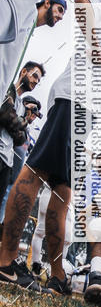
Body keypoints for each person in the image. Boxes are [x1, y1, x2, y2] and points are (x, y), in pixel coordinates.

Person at [0, 0, 101, 294]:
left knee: (62, 192)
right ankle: (5, 260)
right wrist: (95, 43)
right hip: (73, 100)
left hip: (85, 112)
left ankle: (58, 275)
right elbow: (82, 2)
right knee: (35, 172)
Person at [0, 61, 44, 217]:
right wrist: (18, 124)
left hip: (7, 162)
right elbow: (5, 114)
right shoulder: (7, 90)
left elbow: (20, 139)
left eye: (38, 81)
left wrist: (18, 124)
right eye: (35, 76)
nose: (36, 81)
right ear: (24, 71)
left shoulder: (19, 106)